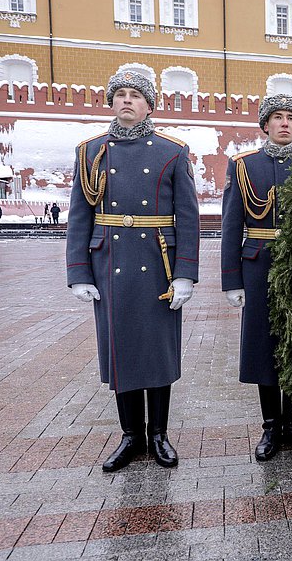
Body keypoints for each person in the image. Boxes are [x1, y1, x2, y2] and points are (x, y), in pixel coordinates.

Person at [66, 70, 200, 472]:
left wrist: (185, 274)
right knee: (121, 351)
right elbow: (79, 215)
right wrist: (79, 272)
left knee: (157, 352)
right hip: (111, 265)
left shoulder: (171, 151)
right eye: (120, 95)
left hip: (158, 264)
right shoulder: (90, 152)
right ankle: (130, 436)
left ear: (149, 105)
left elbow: (188, 218)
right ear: (111, 102)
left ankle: (158, 435)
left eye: (135, 96)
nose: (127, 101)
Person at [221, 94, 292, 461]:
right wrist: (232, 280)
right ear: (265, 125)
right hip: (258, 265)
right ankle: (270, 426)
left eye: (291, 118)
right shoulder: (244, 165)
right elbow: (231, 225)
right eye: (277, 117)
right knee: (264, 346)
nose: (285, 123)